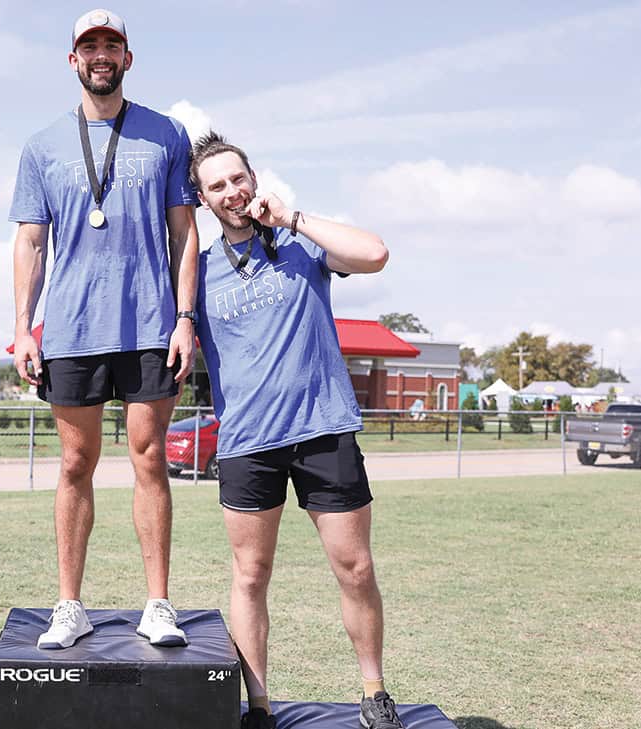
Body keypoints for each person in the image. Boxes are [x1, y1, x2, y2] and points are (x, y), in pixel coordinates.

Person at [187, 132, 406, 729]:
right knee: (251, 576)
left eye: (238, 179)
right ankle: (257, 705)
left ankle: (373, 692)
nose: (231, 192)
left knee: (355, 568)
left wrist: (297, 218)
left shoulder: (299, 244)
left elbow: (376, 253)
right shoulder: (198, 275)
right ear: (202, 200)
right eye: (216, 186)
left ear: (254, 180)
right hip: (247, 444)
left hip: (323, 430)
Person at [9, 8, 201, 649]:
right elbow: (31, 242)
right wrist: (24, 327)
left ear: (127, 57)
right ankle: (69, 605)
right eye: (88, 45)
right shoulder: (41, 146)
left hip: (150, 324)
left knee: (149, 459)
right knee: (74, 463)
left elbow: (184, 233)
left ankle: (158, 604)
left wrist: (184, 318)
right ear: (72, 60)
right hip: (70, 327)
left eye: (111, 44)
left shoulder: (167, 134)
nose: (100, 54)